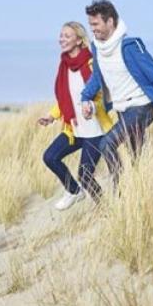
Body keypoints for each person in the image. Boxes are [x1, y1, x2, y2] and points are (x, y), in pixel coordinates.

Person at [81, 0, 153, 186]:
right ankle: (143, 189)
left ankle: (119, 191)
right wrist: (85, 97)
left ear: (110, 22)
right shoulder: (97, 48)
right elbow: (97, 76)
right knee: (137, 157)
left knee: (107, 144)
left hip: (141, 107)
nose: (92, 29)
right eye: (90, 24)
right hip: (122, 110)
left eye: (96, 24)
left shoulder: (130, 47)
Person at [37, 22, 114, 210]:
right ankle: (73, 191)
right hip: (74, 129)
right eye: (61, 35)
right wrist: (52, 116)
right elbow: (67, 98)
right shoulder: (65, 65)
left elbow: (106, 97)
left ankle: (105, 210)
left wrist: (92, 108)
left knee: (85, 176)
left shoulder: (91, 63)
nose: (62, 39)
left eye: (67, 36)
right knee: (50, 157)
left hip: (95, 130)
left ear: (79, 40)